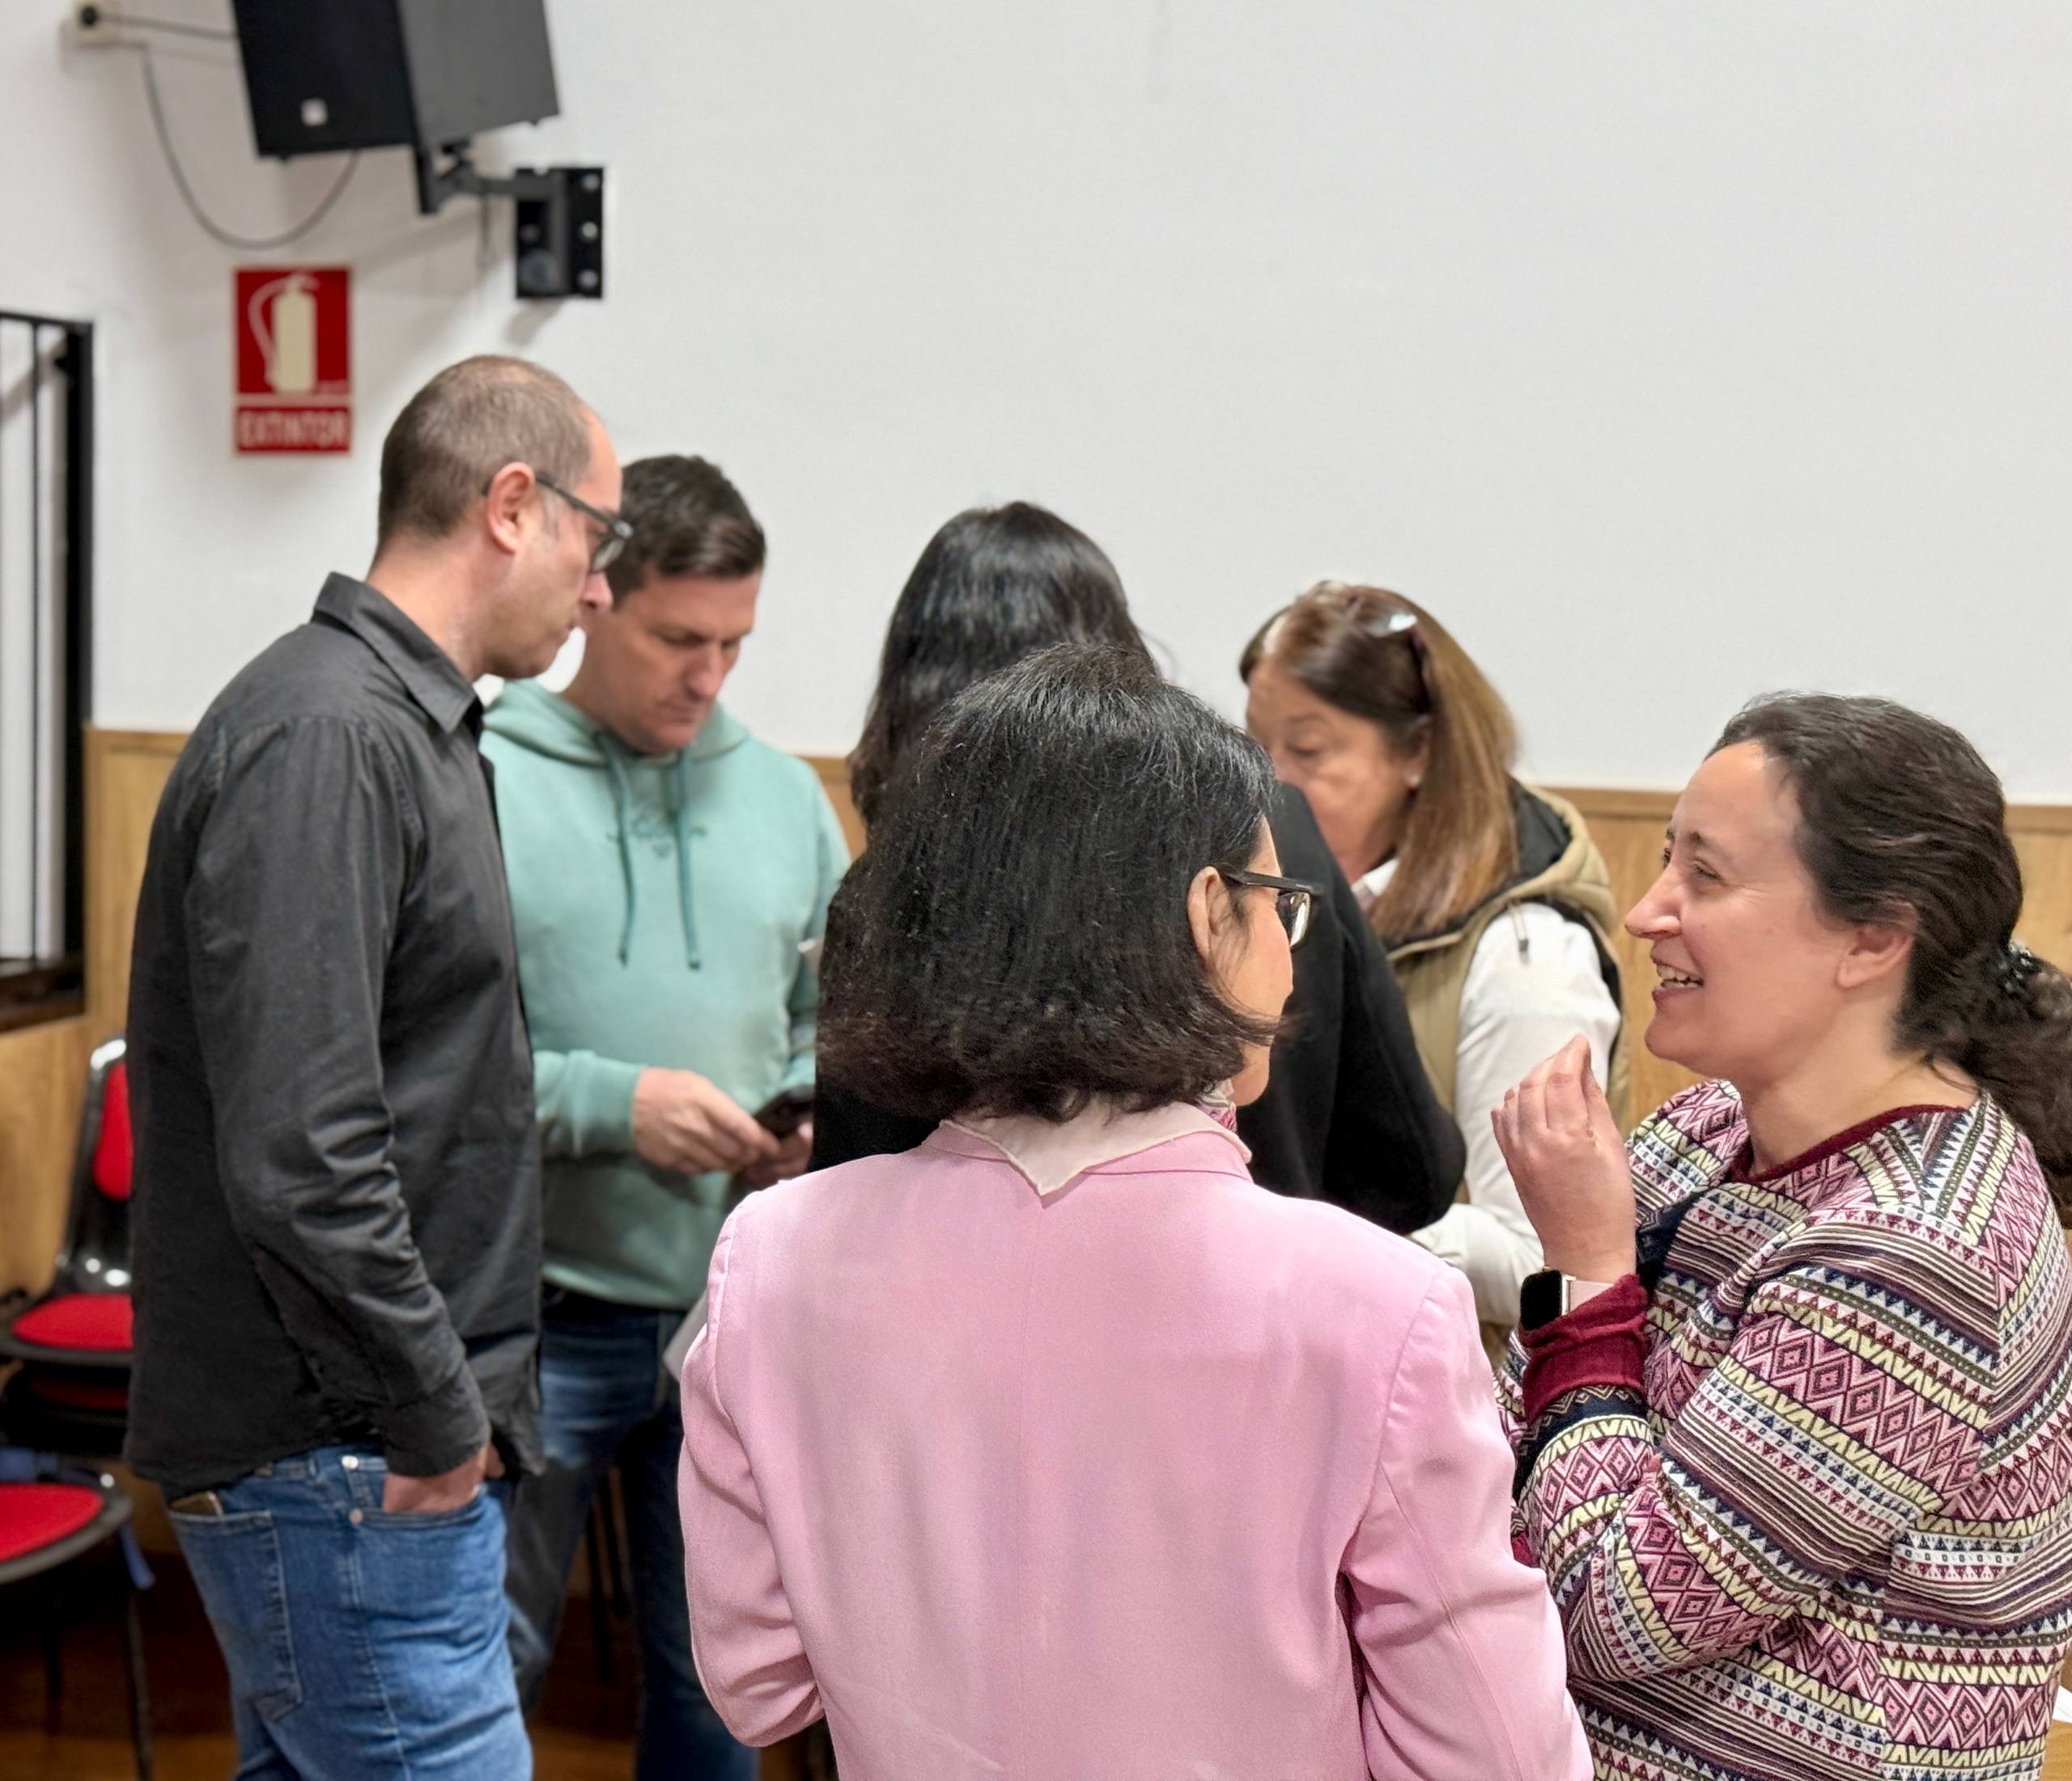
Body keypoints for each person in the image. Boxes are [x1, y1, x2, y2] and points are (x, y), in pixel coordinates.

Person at [680, 643, 1590, 1779]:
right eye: (1280, 908)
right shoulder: (1377, 1306)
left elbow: (757, 1678)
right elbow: (1501, 1755)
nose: (1289, 956)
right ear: (1210, 915)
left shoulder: (774, 1256)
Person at [125, 355, 623, 1778]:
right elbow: (303, 1151)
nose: (600, 587)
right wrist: (435, 1415)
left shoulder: (399, 723)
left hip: (359, 1453)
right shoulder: (330, 735)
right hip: (347, 1456)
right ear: (512, 505)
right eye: (598, 535)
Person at [1494, 693, 2072, 1781]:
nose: (1647, 913)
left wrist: (1583, 1270)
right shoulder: (1708, 1127)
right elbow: (1513, 1447)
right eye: (1665, 861)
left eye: (1705, 876)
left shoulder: (1916, 1251)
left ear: (1874, 937)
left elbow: (1604, 1608)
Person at [485, 454, 847, 1779]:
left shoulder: (786, 798)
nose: (709, 677)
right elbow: (429, 1066)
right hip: (536, 1315)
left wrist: (811, 1113)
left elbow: (835, 1019)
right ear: (595, 598)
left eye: (734, 644)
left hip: (733, 1318)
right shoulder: (483, 779)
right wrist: (610, 1103)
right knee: (491, 1665)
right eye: (679, 639)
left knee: (720, 1683)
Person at [816, 503, 1466, 1232]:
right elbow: (1412, 1168)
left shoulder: (891, 892)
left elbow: (852, 1194)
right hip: (1273, 1277)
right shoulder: (1277, 834)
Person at [1242, 583, 1625, 1354]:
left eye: (1308, 752)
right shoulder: (1283, 900)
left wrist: (1316, 1214)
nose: (1270, 784)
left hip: (1456, 1380)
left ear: (1416, 753)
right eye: (1255, 747)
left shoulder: (1527, 954)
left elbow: (1538, 1253)